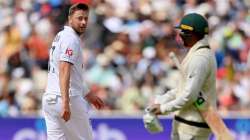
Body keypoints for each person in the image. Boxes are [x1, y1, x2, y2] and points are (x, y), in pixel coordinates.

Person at [145, 13, 217, 140]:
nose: (180, 35)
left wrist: (163, 109)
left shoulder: (200, 58)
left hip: (193, 125)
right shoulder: (195, 54)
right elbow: (183, 88)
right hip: (186, 122)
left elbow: (189, 95)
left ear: (192, 34)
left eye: (183, 32)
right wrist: (161, 100)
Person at [42, 3, 104, 140]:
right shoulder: (71, 39)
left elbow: (69, 74)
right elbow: (64, 69)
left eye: (86, 19)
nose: (83, 22)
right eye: (79, 18)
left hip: (50, 99)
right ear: (70, 19)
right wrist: (65, 102)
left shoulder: (60, 36)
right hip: (67, 99)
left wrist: (88, 94)